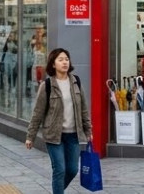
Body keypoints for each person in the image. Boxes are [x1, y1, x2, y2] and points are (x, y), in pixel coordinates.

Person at [25, 48, 93, 194]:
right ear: (53, 64)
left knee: (72, 169)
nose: (64, 62)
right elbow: (38, 113)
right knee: (60, 169)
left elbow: (84, 109)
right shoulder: (47, 85)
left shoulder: (76, 82)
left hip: (73, 135)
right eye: (60, 60)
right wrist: (30, 136)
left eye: (66, 59)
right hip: (54, 136)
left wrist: (88, 130)